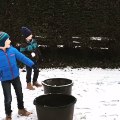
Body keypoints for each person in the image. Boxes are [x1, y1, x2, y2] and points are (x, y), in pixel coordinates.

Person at [0, 32, 38, 120]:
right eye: (7, 39)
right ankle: (8, 115)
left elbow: (22, 57)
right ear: (2, 42)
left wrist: (32, 65)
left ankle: (21, 109)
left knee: (20, 94)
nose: (10, 40)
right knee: (8, 98)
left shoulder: (12, 50)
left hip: (15, 77)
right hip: (4, 79)